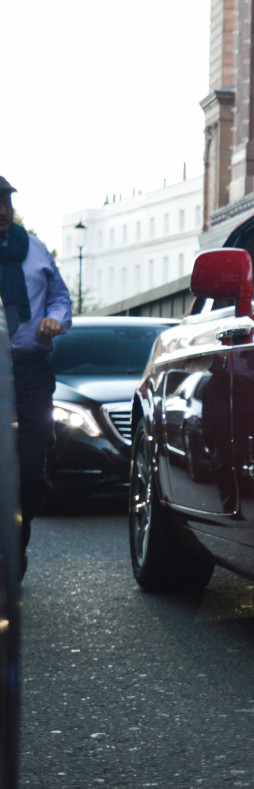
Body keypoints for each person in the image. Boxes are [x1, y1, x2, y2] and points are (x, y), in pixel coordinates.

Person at [0, 175, 72, 577]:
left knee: (30, 469)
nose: (2, 209)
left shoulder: (36, 250)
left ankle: (16, 537)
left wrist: (55, 319)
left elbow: (61, 296)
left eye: (6, 201)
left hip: (30, 372)